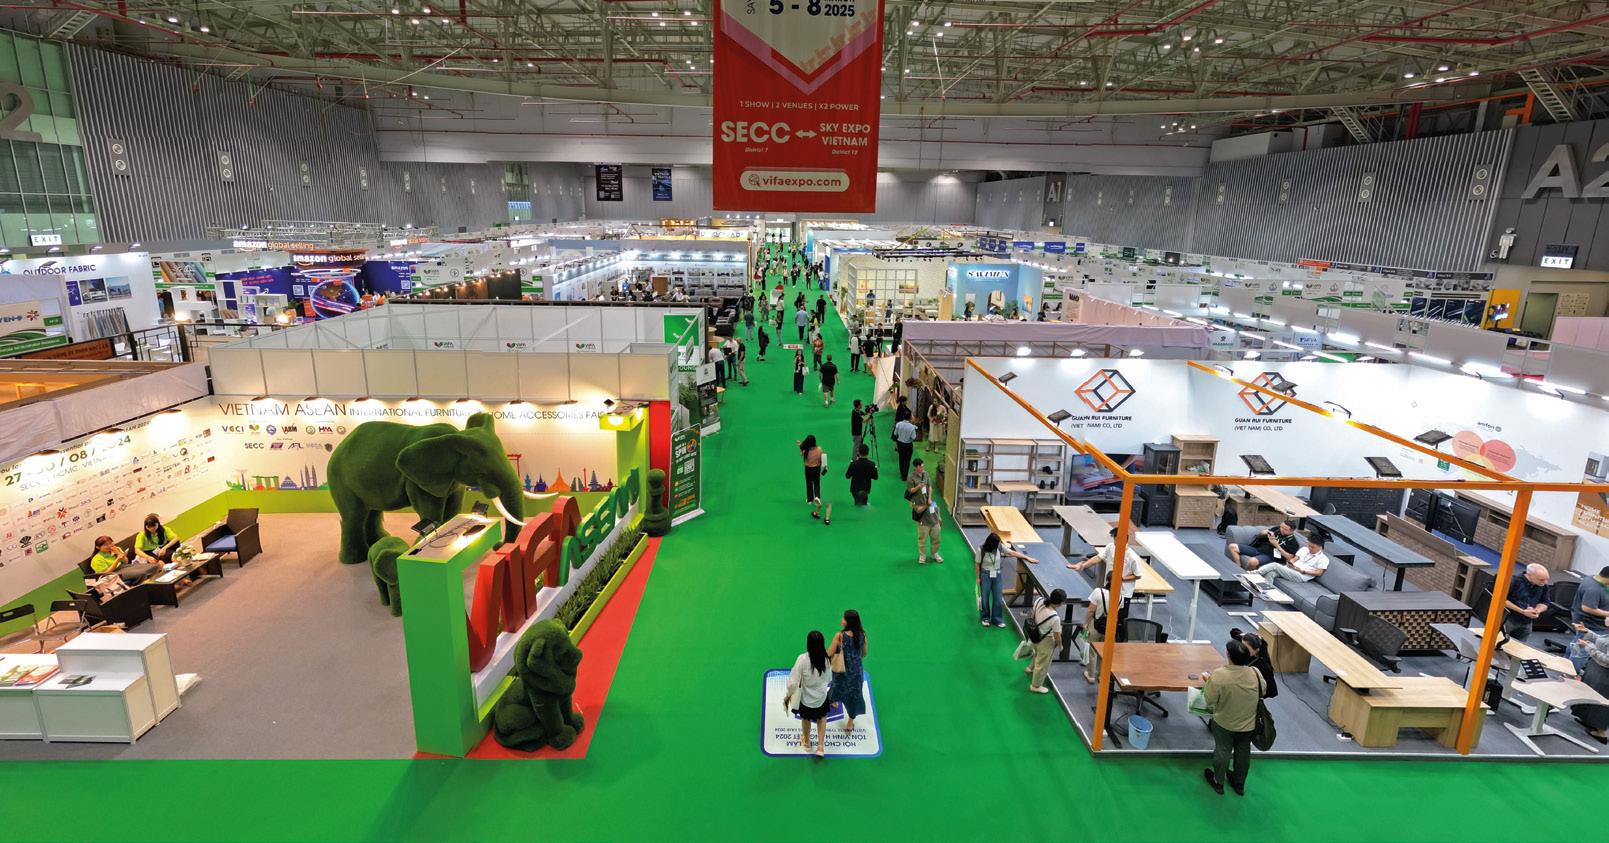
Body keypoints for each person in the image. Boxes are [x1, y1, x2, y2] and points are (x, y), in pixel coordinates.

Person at [1202, 640, 1265, 796]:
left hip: (1224, 722)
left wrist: (1208, 683)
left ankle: (1218, 781)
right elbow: (1263, 690)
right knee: (1243, 751)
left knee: (1222, 750)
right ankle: (1239, 783)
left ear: (1228, 654)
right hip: (1248, 723)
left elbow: (1209, 700)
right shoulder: (1255, 672)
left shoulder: (1219, 675)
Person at [785, 630, 833, 758]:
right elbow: (829, 679)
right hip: (821, 697)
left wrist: (788, 695)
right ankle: (820, 747)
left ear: (808, 644)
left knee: (806, 719)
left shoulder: (802, 659)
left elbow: (793, 682)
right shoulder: (827, 660)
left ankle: (806, 743)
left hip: (806, 699)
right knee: (821, 718)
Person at [977, 532, 1032, 628]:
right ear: (991, 543)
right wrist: (978, 577)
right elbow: (977, 564)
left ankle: (997, 619)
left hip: (997, 574)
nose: (999, 544)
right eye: (997, 543)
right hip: (985, 575)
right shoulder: (981, 549)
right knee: (985, 598)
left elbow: (1012, 552)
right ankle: (985, 618)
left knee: (998, 598)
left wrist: (1027, 557)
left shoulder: (999, 546)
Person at [827, 610, 868, 734]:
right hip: (856, 673)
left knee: (836, 687)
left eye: (844, 618)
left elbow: (830, 653)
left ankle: (832, 701)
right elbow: (864, 653)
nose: (842, 619)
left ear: (849, 622)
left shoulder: (840, 636)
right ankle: (850, 722)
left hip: (841, 671)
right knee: (854, 696)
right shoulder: (862, 635)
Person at [1568, 622, 1609, 743]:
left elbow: (1607, 660)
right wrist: (1588, 632)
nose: (1606, 617)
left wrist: (1589, 648)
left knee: (1600, 702)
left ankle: (1601, 733)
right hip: (1597, 669)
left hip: (1604, 674)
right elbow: (1603, 642)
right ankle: (1588, 721)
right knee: (1589, 694)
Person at [1080, 583, 1126, 683]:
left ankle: (1090, 675)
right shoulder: (1121, 597)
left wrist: (1085, 623)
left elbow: (1091, 610)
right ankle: (1102, 675)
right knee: (1104, 652)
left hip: (1095, 625)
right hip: (1109, 628)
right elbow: (1117, 612)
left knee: (1092, 651)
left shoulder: (1098, 592)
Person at [1026, 589, 1065, 694]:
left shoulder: (1039, 600)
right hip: (1045, 641)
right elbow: (1057, 636)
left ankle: (1030, 668)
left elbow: (1032, 614)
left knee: (1036, 652)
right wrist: (1060, 646)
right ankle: (1035, 686)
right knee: (1042, 663)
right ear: (1060, 604)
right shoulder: (1055, 618)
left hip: (1034, 634)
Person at [1252, 531, 1329, 584]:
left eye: (1313, 547)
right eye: (1309, 546)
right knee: (1271, 573)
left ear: (1320, 547)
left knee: (1275, 565)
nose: (1310, 548)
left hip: (1300, 575)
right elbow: (1295, 559)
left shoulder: (1323, 559)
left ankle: (1254, 574)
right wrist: (1290, 563)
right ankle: (1266, 592)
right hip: (1290, 569)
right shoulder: (1304, 549)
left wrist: (1303, 571)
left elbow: (1319, 573)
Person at [1503, 563, 1552, 641]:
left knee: (1519, 645)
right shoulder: (1514, 581)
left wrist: (1537, 610)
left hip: (1526, 622)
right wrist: (1522, 611)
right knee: (1499, 641)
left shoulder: (1543, 585)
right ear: (1529, 575)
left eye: (1547, 579)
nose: (1545, 582)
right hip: (1508, 619)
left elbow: (1545, 602)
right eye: (1542, 579)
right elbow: (1501, 600)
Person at [907, 459, 941, 564]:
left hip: (931, 511)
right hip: (922, 514)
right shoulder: (911, 478)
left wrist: (929, 499)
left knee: (936, 536)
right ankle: (922, 556)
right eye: (921, 466)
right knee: (922, 539)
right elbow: (910, 491)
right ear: (916, 467)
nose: (923, 468)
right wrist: (918, 487)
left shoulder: (925, 474)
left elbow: (929, 486)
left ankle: (935, 553)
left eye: (923, 466)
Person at [1228, 520, 1299, 570]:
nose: (1281, 529)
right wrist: (1266, 532)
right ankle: (1238, 568)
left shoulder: (1293, 542)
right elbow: (1261, 533)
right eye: (1281, 527)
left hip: (1270, 556)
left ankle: (1246, 575)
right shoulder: (1277, 529)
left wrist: (1276, 545)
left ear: (1291, 531)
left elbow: (1289, 558)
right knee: (1232, 546)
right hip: (1258, 549)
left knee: (1252, 561)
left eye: (1285, 529)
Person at [90, 535, 158, 585]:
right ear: (98, 547)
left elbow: (126, 561)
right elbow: (106, 573)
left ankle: (154, 583)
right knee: (141, 574)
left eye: (110, 543)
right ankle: (142, 587)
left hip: (124, 567)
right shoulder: (97, 559)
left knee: (153, 566)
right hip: (112, 574)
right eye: (105, 545)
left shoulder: (116, 549)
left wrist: (118, 553)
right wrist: (117, 560)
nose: (109, 546)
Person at [1231, 627, 1278, 699]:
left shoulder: (1264, 667)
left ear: (1256, 650)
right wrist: (1244, 635)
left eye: (1246, 648)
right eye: (1242, 646)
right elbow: (1234, 632)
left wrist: (1253, 693)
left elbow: (1272, 691)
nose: (1242, 649)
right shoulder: (1247, 651)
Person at [797, 435, 831, 525]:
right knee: (816, 483)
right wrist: (825, 467)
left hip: (808, 469)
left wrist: (800, 447)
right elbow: (823, 459)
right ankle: (817, 497)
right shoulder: (819, 449)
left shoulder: (806, 450)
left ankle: (810, 499)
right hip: (816, 469)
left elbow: (801, 454)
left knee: (809, 483)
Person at [1570, 566, 1609, 633]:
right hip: (1590, 623)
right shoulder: (1593, 589)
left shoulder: (1593, 577)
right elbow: (1587, 608)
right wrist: (1607, 614)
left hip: (1601, 619)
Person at [891, 413, 919, 481]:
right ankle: (904, 476)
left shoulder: (898, 424)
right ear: (910, 418)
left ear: (903, 416)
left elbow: (895, 433)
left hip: (900, 444)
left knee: (901, 458)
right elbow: (914, 437)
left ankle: (901, 472)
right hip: (908, 445)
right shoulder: (912, 427)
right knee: (907, 460)